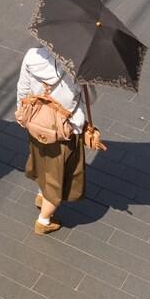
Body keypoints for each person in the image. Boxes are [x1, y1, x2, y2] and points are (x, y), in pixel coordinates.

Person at [16, 43, 105, 234]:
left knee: (42, 163)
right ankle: (44, 220)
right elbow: (91, 99)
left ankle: (41, 193)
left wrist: (21, 114)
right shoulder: (78, 69)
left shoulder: (32, 55)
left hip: (36, 123)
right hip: (65, 132)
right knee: (58, 176)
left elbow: (23, 88)